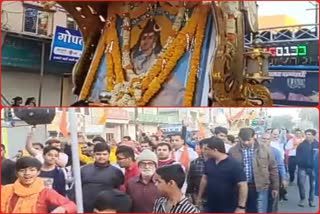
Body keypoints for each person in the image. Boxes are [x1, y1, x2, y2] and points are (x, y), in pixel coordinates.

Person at [229, 128, 279, 213]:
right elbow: (230, 171)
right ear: (239, 138)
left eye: (248, 140)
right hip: (240, 188)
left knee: (260, 210)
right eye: (243, 140)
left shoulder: (265, 149)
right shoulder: (233, 151)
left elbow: (273, 168)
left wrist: (275, 187)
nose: (246, 143)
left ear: (254, 137)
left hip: (260, 187)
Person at [1, 157, 76, 213]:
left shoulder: (45, 192)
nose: (27, 173)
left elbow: (71, 205)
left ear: (38, 172)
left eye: (32, 170)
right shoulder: (6, 190)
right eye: (22, 170)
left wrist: (61, 209)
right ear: (16, 173)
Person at [197, 137, 248, 212]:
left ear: (215, 150)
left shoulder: (234, 164)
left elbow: (243, 185)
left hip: (228, 207)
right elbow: (205, 179)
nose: (203, 151)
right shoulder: (209, 162)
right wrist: (199, 197)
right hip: (210, 205)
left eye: (206, 149)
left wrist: (241, 207)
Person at [81, 143, 124, 212]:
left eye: (104, 154)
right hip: (85, 208)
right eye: (98, 154)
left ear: (109, 155)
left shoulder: (116, 172)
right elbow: (76, 190)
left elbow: (119, 193)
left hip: (106, 209)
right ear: (93, 154)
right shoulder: (84, 170)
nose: (101, 157)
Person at [260, 133, 288, 212]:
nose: (265, 140)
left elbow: (280, 166)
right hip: (260, 181)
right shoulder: (255, 151)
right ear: (260, 139)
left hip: (273, 180)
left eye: (267, 139)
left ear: (270, 140)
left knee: (273, 202)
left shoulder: (275, 152)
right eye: (263, 139)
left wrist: (283, 178)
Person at [296, 129, 318, 207]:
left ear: (313, 135)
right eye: (306, 134)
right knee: (301, 183)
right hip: (302, 167)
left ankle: (311, 201)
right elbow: (297, 156)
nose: (307, 136)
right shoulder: (301, 145)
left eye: (309, 134)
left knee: (313, 185)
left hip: (314, 168)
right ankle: (302, 199)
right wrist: (299, 163)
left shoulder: (317, 145)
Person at [186, 140, 207, 206]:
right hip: (198, 195)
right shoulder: (194, 163)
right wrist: (190, 194)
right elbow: (190, 180)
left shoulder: (217, 162)